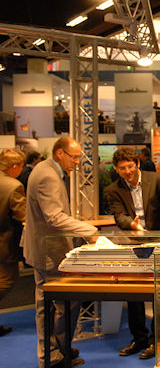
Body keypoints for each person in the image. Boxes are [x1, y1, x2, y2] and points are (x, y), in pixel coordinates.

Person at [21, 137, 97, 368]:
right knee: (60, 303)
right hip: (49, 252)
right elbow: (54, 217)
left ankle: (57, 351)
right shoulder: (48, 175)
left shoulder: (46, 169)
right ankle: (54, 355)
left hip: (46, 249)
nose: (77, 162)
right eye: (74, 157)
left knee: (55, 304)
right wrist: (89, 231)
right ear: (60, 153)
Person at [104, 147, 160, 360]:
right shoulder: (113, 190)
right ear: (116, 169)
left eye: (130, 166)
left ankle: (158, 338)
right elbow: (119, 216)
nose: (127, 172)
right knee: (133, 293)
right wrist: (132, 225)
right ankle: (139, 339)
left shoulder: (156, 180)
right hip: (133, 245)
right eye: (122, 168)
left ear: (137, 164)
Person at [0, 149, 26, 337]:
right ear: (15, 166)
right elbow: (22, 215)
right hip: (5, 243)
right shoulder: (13, 186)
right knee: (7, 280)